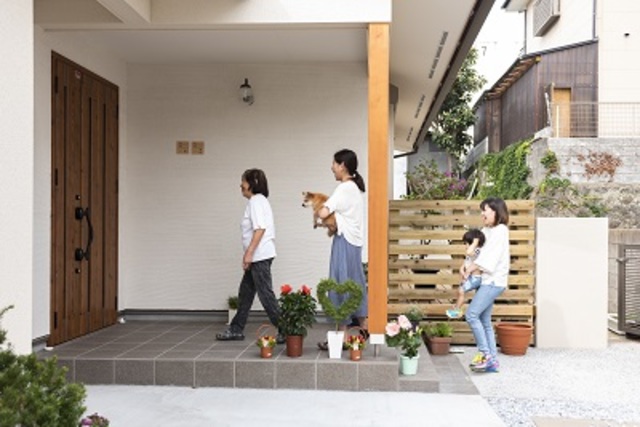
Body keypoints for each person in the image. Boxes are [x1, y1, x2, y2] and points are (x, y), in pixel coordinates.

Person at [216, 169, 283, 343]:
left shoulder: (256, 201)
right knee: (246, 292)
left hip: (259, 255)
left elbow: (260, 229)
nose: (241, 185)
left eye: (243, 181)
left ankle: (287, 330)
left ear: (252, 183)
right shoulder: (259, 201)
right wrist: (249, 255)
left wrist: (249, 254)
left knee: (265, 294)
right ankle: (236, 329)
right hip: (258, 255)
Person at [316, 149, 368, 350]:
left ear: (342, 166)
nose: (332, 167)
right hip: (354, 242)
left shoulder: (344, 188)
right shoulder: (354, 188)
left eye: (334, 164)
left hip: (344, 240)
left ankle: (342, 335)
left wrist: (318, 206)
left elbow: (323, 212)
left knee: (339, 283)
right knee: (354, 283)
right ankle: (364, 327)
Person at [464, 197, 510, 373]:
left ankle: (485, 355)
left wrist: (470, 269)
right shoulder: (486, 231)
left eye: (485, 210)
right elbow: (477, 253)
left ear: (496, 212)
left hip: (493, 281)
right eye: (481, 210)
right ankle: (493, 361)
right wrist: (466, 265)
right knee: (484, 320)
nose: (482, 214)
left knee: (471, 314)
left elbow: (490, 258)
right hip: (486, 281)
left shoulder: (500, 230)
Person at [446, 228, 485, 319]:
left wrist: (475, 242)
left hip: (475, 278)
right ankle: (459, 305)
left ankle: (457, 310)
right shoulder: (471, 253)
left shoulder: (477, 251)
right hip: (470, 277)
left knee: (461, 291)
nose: (465, 246)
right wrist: (462, 268)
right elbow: (466, 262)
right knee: (459, 291)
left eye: (467, 243)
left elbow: (470, 253)